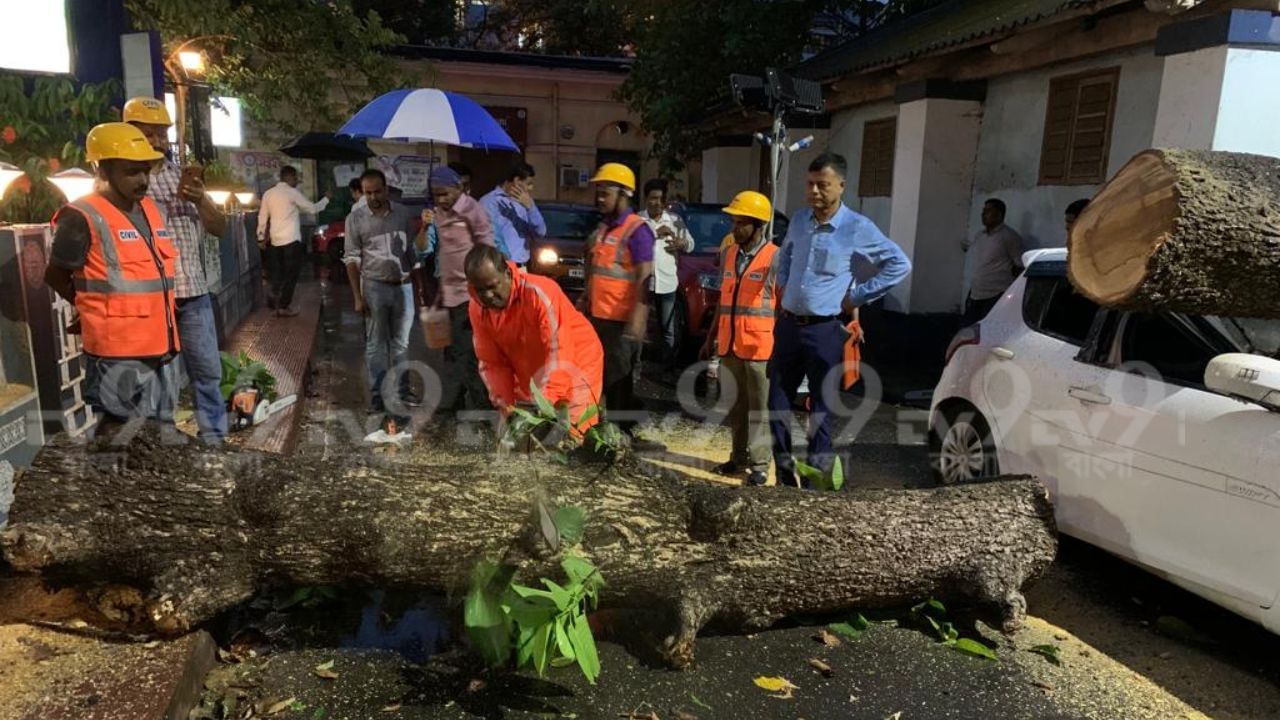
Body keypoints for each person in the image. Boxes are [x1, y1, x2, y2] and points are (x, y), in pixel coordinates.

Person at [770, 153, 912, 488]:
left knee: (821, 405)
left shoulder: (857, 228)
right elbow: (786, 253)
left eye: (823, 185)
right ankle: (785, 476)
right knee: (776, 399)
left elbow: (899, 264)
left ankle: (817, 477)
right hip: (789, 325)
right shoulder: (800, 220)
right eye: (810, 184)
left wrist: (858, 297)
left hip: (824, 330)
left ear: (841, 186)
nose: (814, 191)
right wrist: (784, 285)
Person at [44, 123, 181, 428]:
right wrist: (88, 306)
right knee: (121, 433)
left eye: (146, 170)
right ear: (102, 170)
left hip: (160, 345)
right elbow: (55, 275)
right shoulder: (81, 216)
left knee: (161, 433)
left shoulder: (154, 210)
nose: (143, 180)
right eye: (131, 172)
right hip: (117, 352)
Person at [125, 95, 229, 444]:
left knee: (208, 373)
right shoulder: (125, 181)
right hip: (152, 299)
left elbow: (220, 228)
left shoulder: (179, 177)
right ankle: (165, 451)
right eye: (148, 132)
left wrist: (200, 199)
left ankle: (215, 443)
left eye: (161, 132)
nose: (157, 140)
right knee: (160, 384)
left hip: (194, 292)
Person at [466, 245, 604, 441]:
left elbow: (559, 350)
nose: (487, 295)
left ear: (507, 273)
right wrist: (507, 407)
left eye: (492, 286)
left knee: (574, 432)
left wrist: (545, 401)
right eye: (480, 290)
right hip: (531, 365)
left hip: (578, 360)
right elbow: (492, 363)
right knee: (527, 433)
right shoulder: (477, 308)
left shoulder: (540, 292)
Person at [700, 191, 777, 486]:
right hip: (730, 344)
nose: (734, 228)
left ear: (758, 225)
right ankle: (738, 458)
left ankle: (759, 466)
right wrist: (711, 337)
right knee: (735, 406)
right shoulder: (730, 254)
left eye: (741, 223)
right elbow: (724, 299)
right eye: (733, 221)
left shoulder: (774, 258)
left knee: (759, 409)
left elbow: (781, 305)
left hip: (760, 348)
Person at [577, 163, 655, 439]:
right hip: (599, 316)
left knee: (618, 380)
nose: (600, 198)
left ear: (624, 194)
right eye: (598, 192)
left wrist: (638, 317)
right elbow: (596, 267)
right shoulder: (604, 228)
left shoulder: (637, 231)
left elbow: (645, 277)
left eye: (605, 192)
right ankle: (617, 427)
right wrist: (586, 297)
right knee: (602, 376)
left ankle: (622, 433)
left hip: (621, 321)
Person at [343, 169, 424, 418]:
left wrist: (419, 290)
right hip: (374, 287)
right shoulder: (355, 219)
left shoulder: (402, 213)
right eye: (368, 193)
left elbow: (413, 253)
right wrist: (357, 296)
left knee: (401, 343)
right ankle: (377, 395)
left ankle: (402, 391)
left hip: (404, 285)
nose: (373, 196)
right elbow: (351, 259)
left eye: (377, 191)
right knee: (376, 344)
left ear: (386, 189)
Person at [425, 165, 496, 412]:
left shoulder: (472, 210)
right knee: (450, 350)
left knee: (467, 353)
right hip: (448, 293)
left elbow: (486, 247)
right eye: (436, 195)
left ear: (458, 188)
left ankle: (479, 406)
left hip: (470, 295)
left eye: (445, 193)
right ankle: (454, 401)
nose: (441, 199)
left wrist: (483, 288)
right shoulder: (438, 213)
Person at [258, 165, 329, 317]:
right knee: (291, 274)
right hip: (291, 239)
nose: (297, 180)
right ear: (288, 177)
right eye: (295, 177)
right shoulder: (291, 193)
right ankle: (283, 306)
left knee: (278, 272)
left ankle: (275, 295)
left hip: (275, 240)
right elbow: (312, 209)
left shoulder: (268, 194)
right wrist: (326, 199)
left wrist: (260, 237)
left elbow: (262, 217)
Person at [640, 178, 694, 372]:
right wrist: (655, 233)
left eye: (661, 199)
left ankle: (666, 367)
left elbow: (690, 244)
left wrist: (681, 243)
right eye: (654, 198)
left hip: (667, 282)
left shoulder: (675, 221)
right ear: (646, 199)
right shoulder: (638, 220)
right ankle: (636, 366)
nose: (658, 203)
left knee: (667, 328)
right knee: (640, 326)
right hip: (644, 282)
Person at [962, 198, 1025, 325]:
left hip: (995, 295)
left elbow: (1020, 266)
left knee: (988, 331)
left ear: (999, 215)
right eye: (983, 211)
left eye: (988, 211)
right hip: (976, 292)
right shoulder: (980, 235)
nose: (983, 214)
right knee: (969, 330)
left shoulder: (1009, 236)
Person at [480, 160, 545, 268]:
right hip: (500, 265)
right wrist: (506, 260)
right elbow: (491, 235)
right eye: (528, 184)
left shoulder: (526, 201)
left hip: (523, 265)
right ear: (516, 180)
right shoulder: (490, 202)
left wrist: (531, 208)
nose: (531, 188)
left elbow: (541, 232)